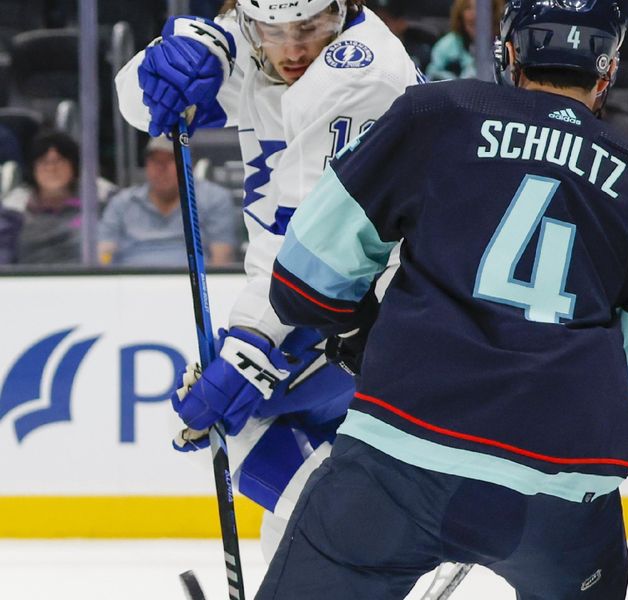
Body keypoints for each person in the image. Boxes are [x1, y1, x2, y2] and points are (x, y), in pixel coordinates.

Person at [261, 1, 628, 598]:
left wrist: (361, 333)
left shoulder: (435, 114)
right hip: (564, 488)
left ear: (510, 52)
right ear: (608, 70)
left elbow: (302, 279)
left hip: (402, 453)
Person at [114, 0, 422, 564]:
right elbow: (142, 109)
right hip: (332, 293)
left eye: (311, 28)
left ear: (344, 9)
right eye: (274, 32)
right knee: (286, 530)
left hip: (380, 294)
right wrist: (167, 61)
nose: (295, 49)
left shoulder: (361, 73)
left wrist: (250, 346)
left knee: (234, 414)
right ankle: (363, 536)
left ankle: (385, 534)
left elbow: (314, 247)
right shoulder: (256, 45)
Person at [98, 136, 236, 267]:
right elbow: (103, 255)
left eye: (171, 160)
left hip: (193, 282)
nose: (161, 169)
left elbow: (222, 258)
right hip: (130, 283)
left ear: (190, 166)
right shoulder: (122, 203)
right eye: (155, 161)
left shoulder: (215, 198)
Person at [1, 131, 116, 265]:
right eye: (44, 162)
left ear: (73, 165)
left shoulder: (101, 194)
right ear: (32, 168)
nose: (51, 168)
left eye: (59, 161)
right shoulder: (14, 206)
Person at [425, 0, 505, 81]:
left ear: (494, 12)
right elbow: (431, 76)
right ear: (460, 14)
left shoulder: (505, 45)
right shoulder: (446, 47)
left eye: (481, 8)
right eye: (468, 8)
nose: (475, 14)